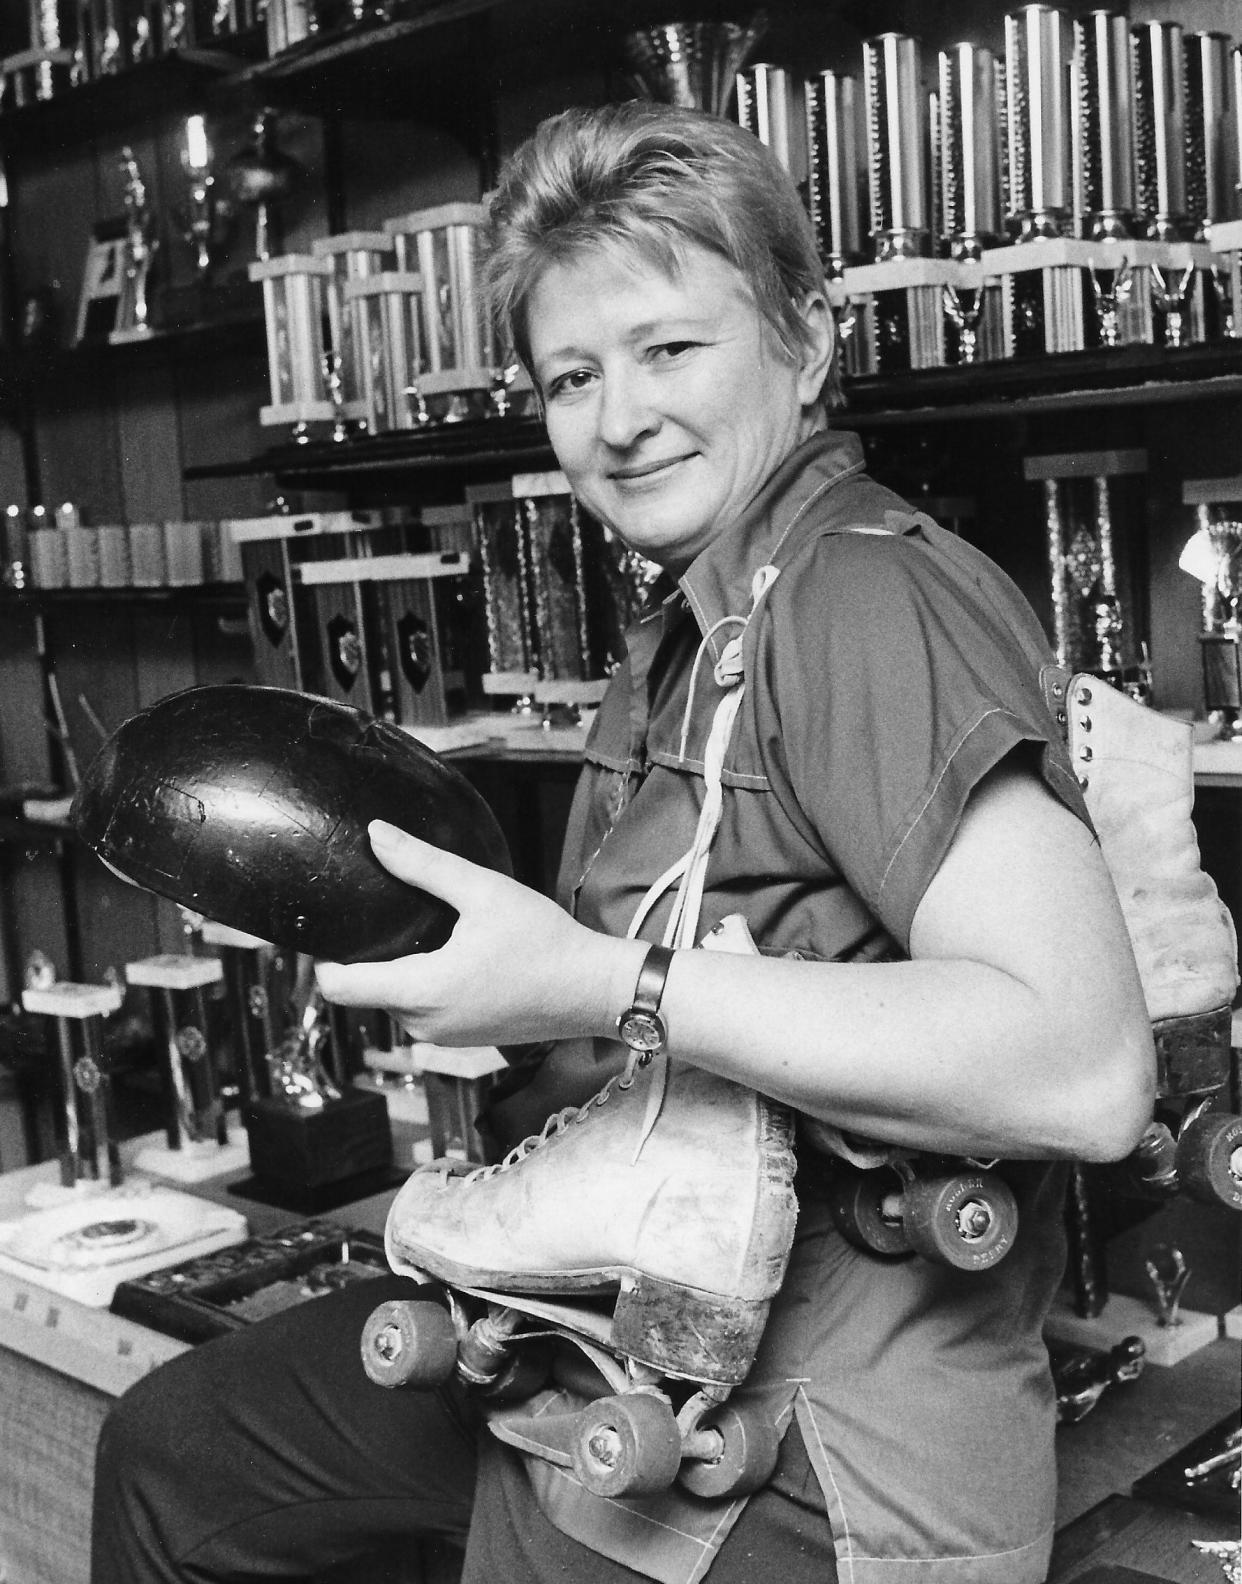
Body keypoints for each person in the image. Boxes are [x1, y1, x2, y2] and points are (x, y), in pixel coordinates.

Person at [91, 101, 1155, 1584]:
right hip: (629, 1357)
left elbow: (1085, 1067)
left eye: (669, 349)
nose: (617, 418)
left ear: (805, 338)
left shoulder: (863, 599)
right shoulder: (697, 625)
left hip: (814, 1460)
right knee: (187, 1452)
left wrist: (603, 984)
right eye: (571, 375)